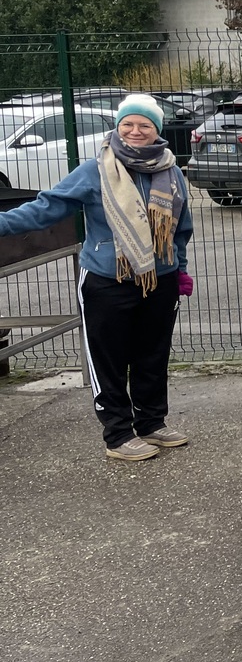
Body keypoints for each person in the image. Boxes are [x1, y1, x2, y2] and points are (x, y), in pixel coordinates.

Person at [0, 93, 194, 461]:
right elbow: (47, 207)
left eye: (144, 125)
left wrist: (180, 269)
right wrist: (3, 223)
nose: (135, 131)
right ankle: (118, 434)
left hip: (161, 278)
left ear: (157, 130)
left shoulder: (171, 171)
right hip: (107, 280)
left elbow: (181, 228)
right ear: (118, 127)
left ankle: (151, 423)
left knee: (152, 355)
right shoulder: (95, 170)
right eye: (128, 124)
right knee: (109, 359)